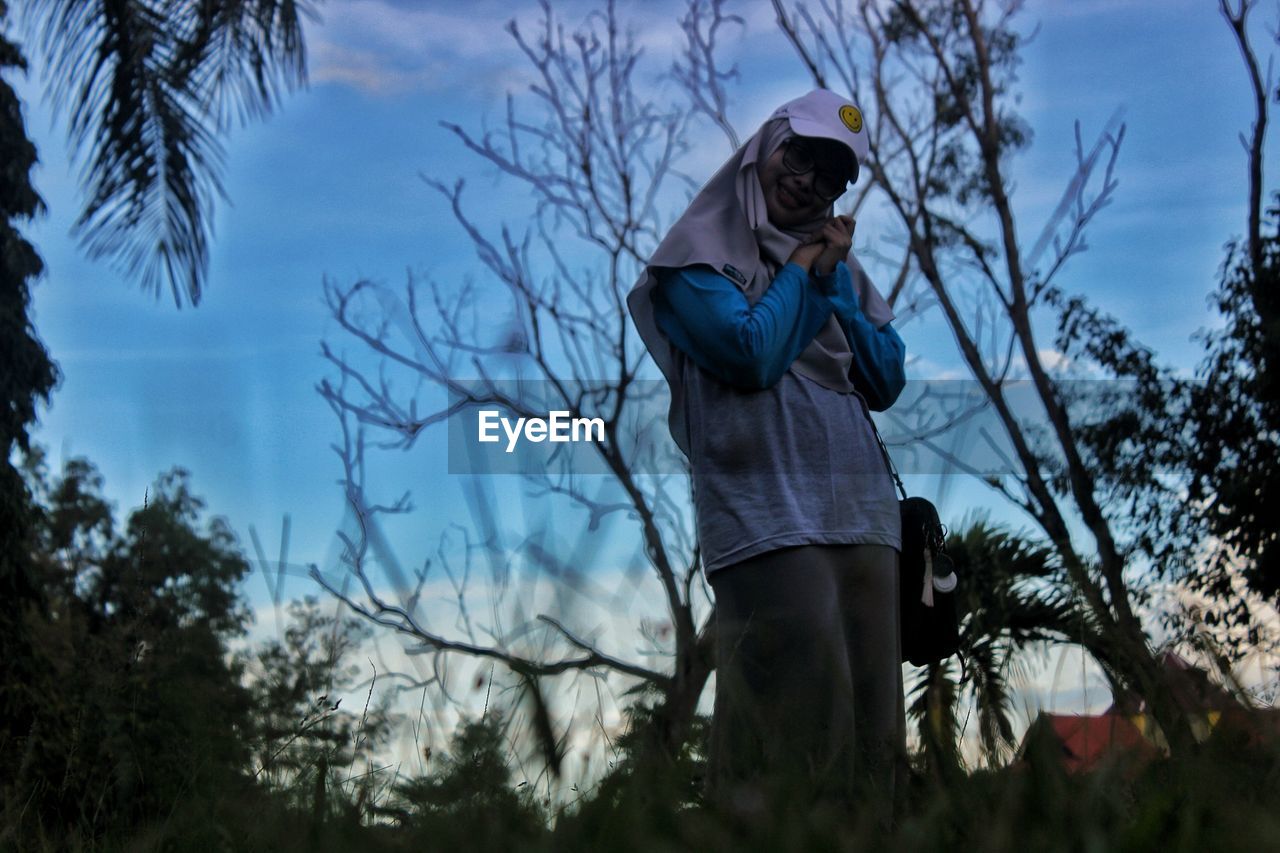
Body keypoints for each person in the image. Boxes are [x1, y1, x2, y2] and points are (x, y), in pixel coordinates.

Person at [627, 89, 907, 816]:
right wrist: (806, 277)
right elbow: (748, 352)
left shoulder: (840, 268)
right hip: (768, 521)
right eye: (801, 153)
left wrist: (831, 283)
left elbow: (885, 375)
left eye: (832, 174)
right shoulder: (697, 259)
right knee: (794, 734)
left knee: (876, 738)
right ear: (765, 145)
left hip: (866, 519)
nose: (809, 178)